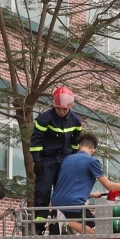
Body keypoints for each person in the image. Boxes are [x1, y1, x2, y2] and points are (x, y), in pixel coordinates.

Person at [48, 133, 120, 234]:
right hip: (73, 204)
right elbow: (109, 186)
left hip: (56, 202)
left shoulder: (67, 159)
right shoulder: (92, 161)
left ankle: (62, 218)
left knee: (86, 203)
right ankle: (65, 221)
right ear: (93, 150)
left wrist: (92, 195)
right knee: (96, 231)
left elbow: (69, 187)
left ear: (78, 145)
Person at [29, 85, 83, 230]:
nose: (61, 111)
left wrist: (73, 161)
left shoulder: (76, 121)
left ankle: (56, 226)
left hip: (65, 161)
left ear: (70, 107)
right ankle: (39, 228)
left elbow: (74, 143)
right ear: (54, 105)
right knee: (43, 192)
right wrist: (37, 160)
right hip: (46, 160)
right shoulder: (44, 119)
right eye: (59, 108)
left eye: (65, 109)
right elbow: (36, 141)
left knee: (62, 194)